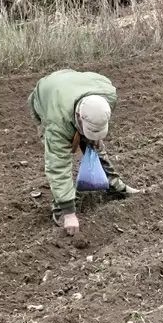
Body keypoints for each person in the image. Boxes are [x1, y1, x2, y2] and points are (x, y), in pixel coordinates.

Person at [27, 69, 140, 235]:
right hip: (47, 94)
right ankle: (61, 210)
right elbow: (57, 166)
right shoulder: (57, 123)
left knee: (94, 146)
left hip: (72, 85)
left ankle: (114, 185)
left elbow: (96, 119)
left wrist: (91, 136)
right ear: (79, 116)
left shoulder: (108, 95)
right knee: (58, 158)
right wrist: (70, 213)